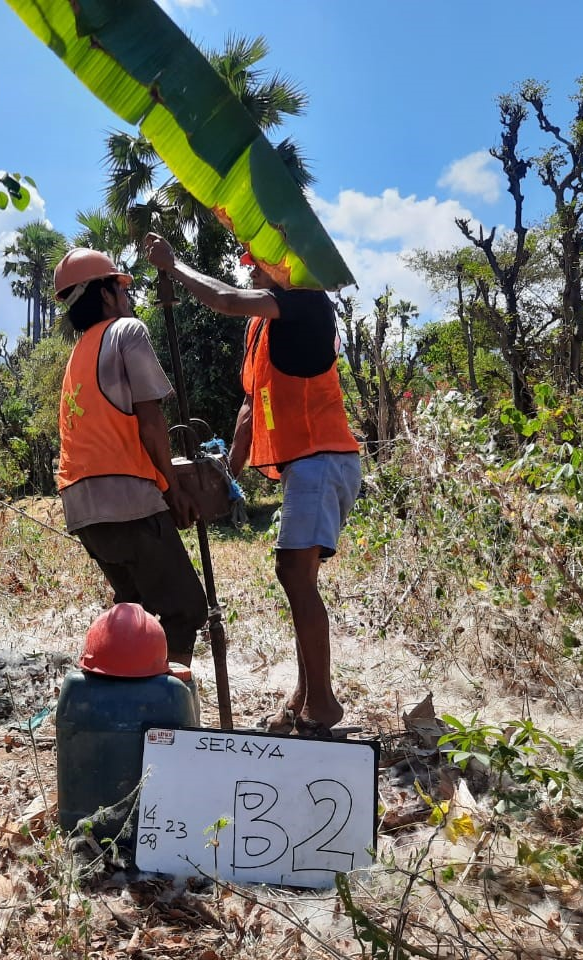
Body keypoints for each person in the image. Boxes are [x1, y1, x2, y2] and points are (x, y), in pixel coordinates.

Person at [142, 232, 362, 737]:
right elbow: (249, 406)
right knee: (297, 578)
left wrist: (174, 266)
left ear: (285, 266)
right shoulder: (261, 328)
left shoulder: (306, 302)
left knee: (294, 575)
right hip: (307, 465)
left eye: (258, 263)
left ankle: (322, 704)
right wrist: (227, 476)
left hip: (323, 459)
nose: (250, 270)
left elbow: (224, 299)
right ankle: (304, 698)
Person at [53, 248, 208, 666]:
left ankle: (123, 691)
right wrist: (173, 490)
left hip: (81, 507)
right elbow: (151, 422)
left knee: (133, 607)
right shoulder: (127, 332)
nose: (126, 297)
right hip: (127, 499)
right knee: (185, 610)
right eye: (120, 288)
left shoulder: (78, 355)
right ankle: (166, 701)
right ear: (104, 294)